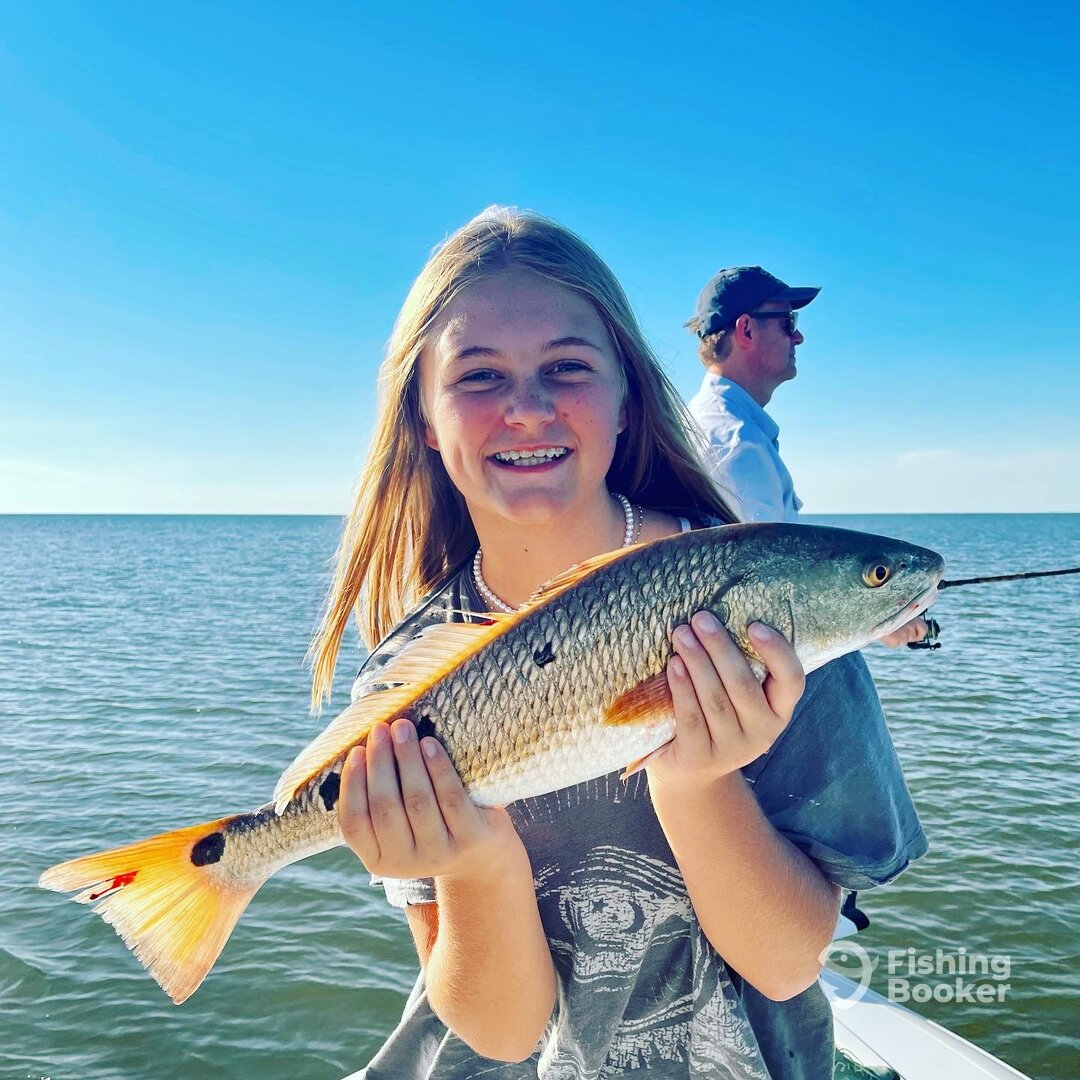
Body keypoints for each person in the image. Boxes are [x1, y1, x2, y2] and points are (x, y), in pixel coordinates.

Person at [313, 209, 926, 1079]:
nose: (526, 409)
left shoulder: (776, 618)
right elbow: (500, 1032)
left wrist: (697, 780)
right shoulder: (404, 686)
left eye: (566, 367)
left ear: (628, 393)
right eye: (478, 376)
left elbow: (788, 963)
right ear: (419, 413)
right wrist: (477, 864)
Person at [686, 266, 927, 649]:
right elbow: (759, 607)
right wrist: (877, 621)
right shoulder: (737, 445)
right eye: (788, 321)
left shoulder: (717, 426)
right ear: (746, 329)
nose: (798, 335)